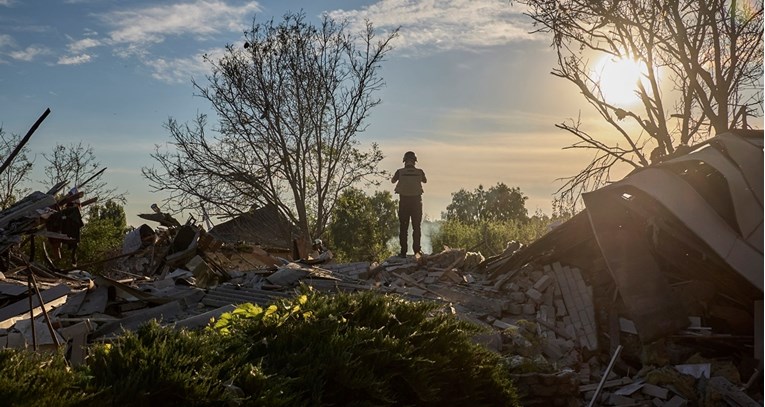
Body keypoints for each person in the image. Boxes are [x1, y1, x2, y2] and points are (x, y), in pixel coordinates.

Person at [391, 151, 427, 257]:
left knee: (403, 228)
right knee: (417, 227)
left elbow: (393, 181)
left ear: (404, 161)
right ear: (415, 161)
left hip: (404, 202)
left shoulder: (399, 172)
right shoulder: (420, 172)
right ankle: (417, 251)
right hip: (416, 202)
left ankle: (403, 252)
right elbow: (425, 181)